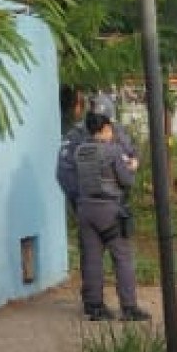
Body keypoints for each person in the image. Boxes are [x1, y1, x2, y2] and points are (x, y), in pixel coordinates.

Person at [70, 110, 149, 321]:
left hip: (85, 210)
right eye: (110, 129)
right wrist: (131, 167)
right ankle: (129, 307)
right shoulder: (113, 151)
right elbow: (126, 181)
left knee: (91, 259)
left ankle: (94, 306)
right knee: (122, 257)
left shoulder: (79, 151)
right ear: (105, 129)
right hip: (109, 210)